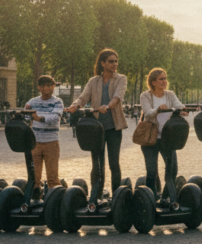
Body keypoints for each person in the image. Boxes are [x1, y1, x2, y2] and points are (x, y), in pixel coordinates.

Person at [66, 49, 128, 189]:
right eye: (111, 61)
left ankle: (116, 196)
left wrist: (108, 106)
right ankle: (97, 195)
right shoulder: (94, 81)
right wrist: (75, 106)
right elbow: (83, 97)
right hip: (96, 128)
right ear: (102, 63)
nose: (114, 64)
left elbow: (118, 97)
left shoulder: (121, 78)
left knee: (114, 163)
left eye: (116, 61)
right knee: (97, 164)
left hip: (114, 128)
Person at [139, 68, 185, 201]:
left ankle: (165, 197)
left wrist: (181, 111)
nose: (165, 81)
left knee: (173, 170)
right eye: (161, 79)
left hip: (167, 138)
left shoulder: (170, 94)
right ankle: (150, 200)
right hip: (150, 139)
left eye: (165, 78)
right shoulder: (145, 95)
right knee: (152, 172)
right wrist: (157, 110)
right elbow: (147, 113)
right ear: (153, 82)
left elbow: (178, 105)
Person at [25, 75, 64, 190]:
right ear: (39, 88)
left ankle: (54, 198)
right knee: (34, 177)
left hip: (51, 142)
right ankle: (35, 196)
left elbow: (55, 118)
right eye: (42, 86)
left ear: (53, 87)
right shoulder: (32, 101)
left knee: (52, 177)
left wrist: (38, 118)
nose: (45, 88)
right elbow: (27, 117)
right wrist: (25, 113)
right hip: (35, 142)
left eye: (48, 85)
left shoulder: (58, 101)